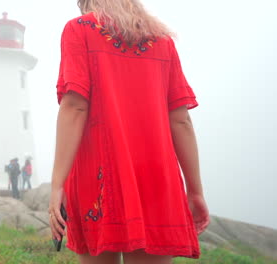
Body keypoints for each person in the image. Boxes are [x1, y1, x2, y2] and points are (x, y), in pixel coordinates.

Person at [48, 1, 210, 263]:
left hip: (99, 176)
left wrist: (57, 185)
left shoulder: (79, 30)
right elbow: (181, 120)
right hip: (155, 179)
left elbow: (75, 106)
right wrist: (195, 190)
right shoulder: (162, 41)